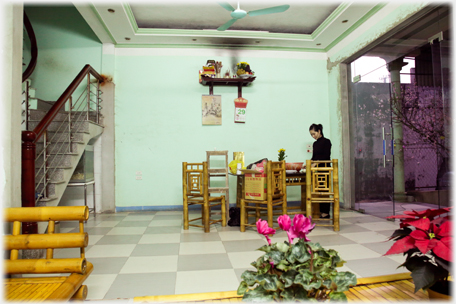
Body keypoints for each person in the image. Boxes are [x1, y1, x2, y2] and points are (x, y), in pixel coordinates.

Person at [309, 123, 332, 219]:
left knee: (324, 190)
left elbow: (326, 156)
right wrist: (310, 163)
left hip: (325, 168)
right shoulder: (315, 144)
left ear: (319, 131)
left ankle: (325, 212)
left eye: (314, 134)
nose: (313, 136)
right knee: (317, 190)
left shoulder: (326, 142)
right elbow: (314, 157)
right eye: (311, 135)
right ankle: (318, 211)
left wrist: (316, 163)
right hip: (316, 170)